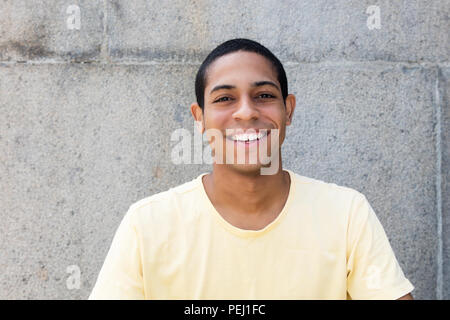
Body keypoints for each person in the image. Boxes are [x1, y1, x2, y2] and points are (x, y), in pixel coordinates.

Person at [89, 38, 414, 300]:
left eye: (263, 95)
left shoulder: (346, 215)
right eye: (225, 99)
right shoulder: (147, 225)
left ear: (288, 110)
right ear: (199, 117)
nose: (246, 112)